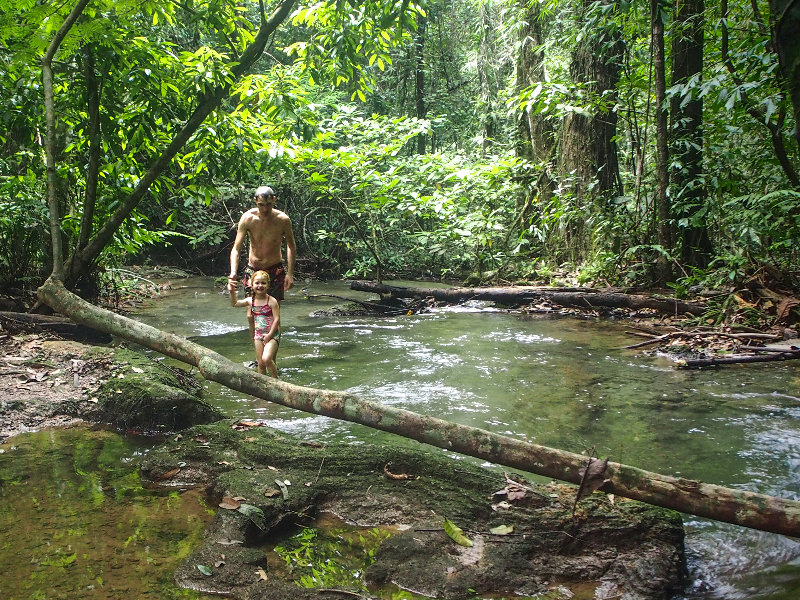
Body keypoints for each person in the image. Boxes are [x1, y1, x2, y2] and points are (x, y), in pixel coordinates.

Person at [228, 185, 296, 338]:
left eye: (268, 205)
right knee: (251, 315)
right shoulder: (248, 218)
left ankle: (271, 358)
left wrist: (290, 274)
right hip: (253, 269)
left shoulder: (283, 220)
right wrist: (233, 272)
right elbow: (236, 248)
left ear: (274, 200)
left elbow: (291, 246)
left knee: (274, 315)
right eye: (261, 205)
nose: (265, 209)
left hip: (275, 269)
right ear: (255, 201)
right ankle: (259, 358)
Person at [229, 270, 281, 377]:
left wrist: (270, 335)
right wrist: (232, 292)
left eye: (263, 283)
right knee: (261, 364)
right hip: (258, 335)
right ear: (252, 285)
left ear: (268, 285)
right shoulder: (250, 301)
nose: (260, 286)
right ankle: (263, 386)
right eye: (257, 283)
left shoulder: (272, 301)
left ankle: (276, 381)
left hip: (272, 335)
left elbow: (276, 319)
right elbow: (235, 303)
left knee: (266, 359)